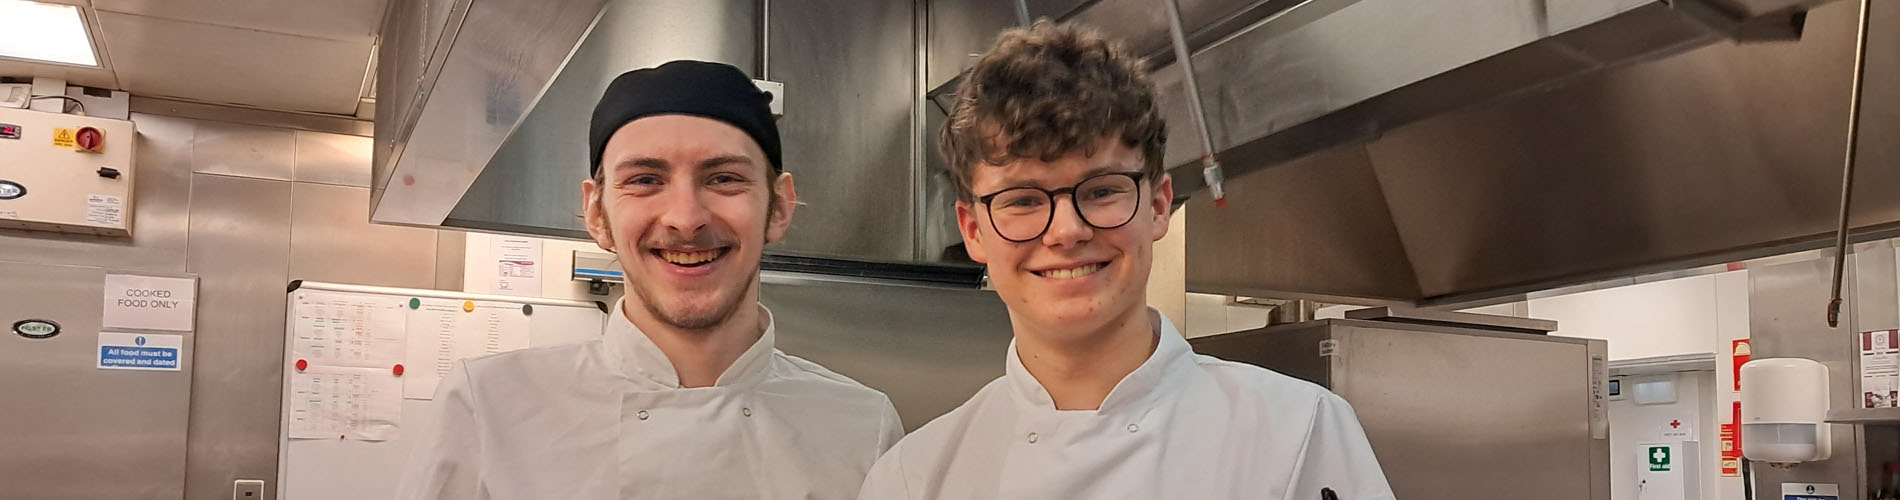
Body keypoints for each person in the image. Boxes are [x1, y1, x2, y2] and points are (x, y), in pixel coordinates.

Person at [856, 22, 1395, 500]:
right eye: (1022, 200)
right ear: (974, 230)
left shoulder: (1298, 435)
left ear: (1158, 206)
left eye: (1102, 191)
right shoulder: (915, 478)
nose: (1067, 231)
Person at [396, 60, 903, 500]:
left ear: (779, 207)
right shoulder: (488, 406)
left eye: (724, 178)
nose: (686, 218)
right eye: (645, 180)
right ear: (596, 213)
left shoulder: (863, 427)